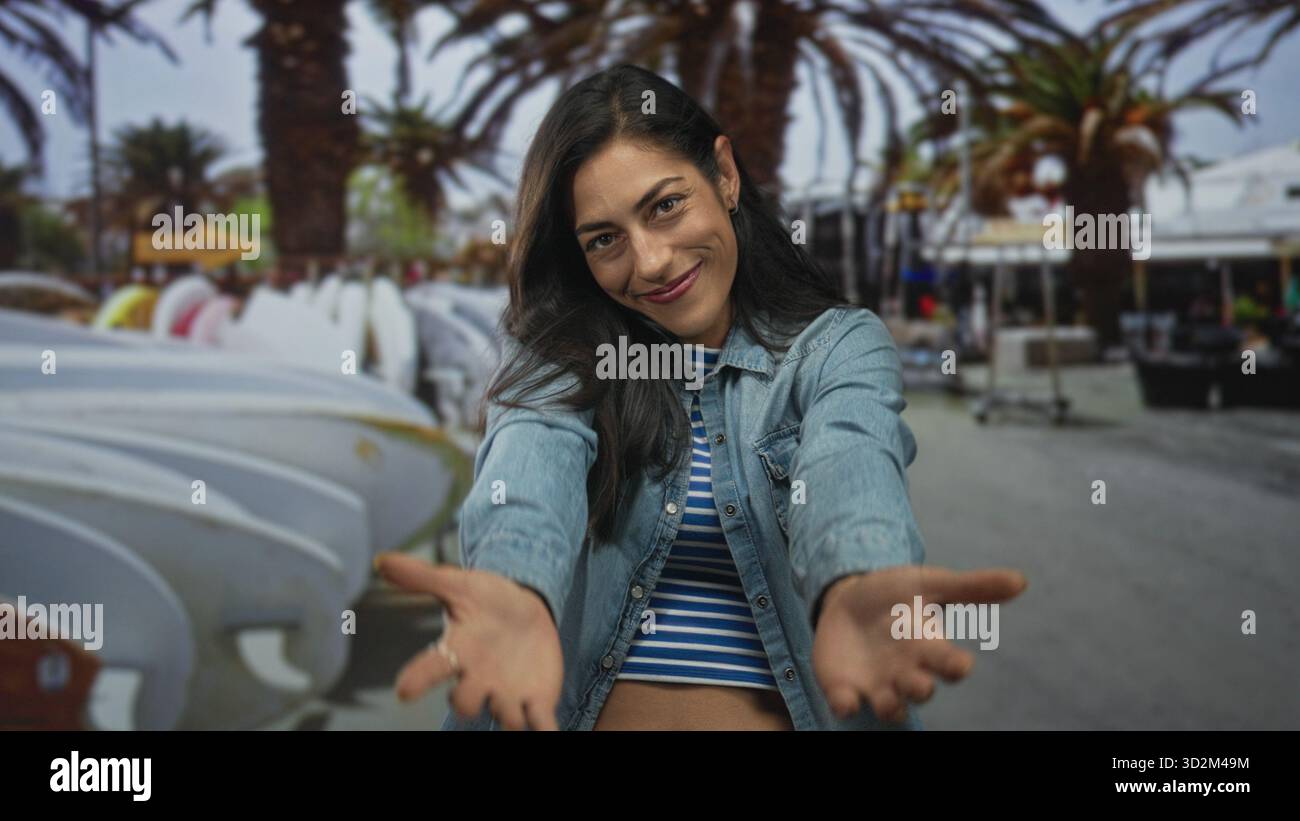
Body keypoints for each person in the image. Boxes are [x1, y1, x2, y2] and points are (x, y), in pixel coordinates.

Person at [375, 64, 1026, 731]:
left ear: (724, 173)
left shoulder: (837, 348)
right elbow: (530, 471)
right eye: (605, 239)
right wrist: (514, 585)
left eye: (665, 205)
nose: (651, 261)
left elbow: (850, 465)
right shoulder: (557, 352)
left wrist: (855, 577)